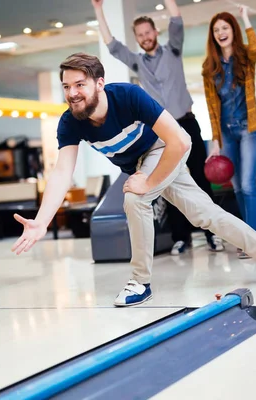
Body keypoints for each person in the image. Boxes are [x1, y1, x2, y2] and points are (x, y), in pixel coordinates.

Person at [10, 52, 256, 307]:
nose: (72, 93)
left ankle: (140, 282)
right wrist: (42, 220)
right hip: (142, 164)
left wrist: (146, 181)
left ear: (99, 83)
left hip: (164, 149)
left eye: (79, 85)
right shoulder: (71, 122)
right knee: (207, 215)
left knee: (135, 197)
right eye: (66, 87)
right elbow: (63, 172)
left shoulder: (128, 97)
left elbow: (181, 141)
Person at [91, 0, 224, 255]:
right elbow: (111, 45)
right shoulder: (138, 63)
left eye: (148, 32)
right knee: (167, 180)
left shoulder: (173, 50)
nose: (144, 37)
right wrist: (99, 9)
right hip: (160, 130)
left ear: (155, 32)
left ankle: (213, 235)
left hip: (186, 122)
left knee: (200, 179)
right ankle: (180, 238)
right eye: (139, 35)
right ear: (138, 39)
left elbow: (177, 20)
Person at [202, 6, 256, 259]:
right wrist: (215, 141)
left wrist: (246, 17)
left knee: (248, 185)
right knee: (236, 186)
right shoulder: (209, 68)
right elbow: (212, 109)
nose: (221, 33)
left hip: (249, 129)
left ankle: (254, 240)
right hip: (226, 133)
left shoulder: (247, 57)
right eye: (216, 30)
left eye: (225, 28)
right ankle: (246, 238)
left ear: (233, 31)